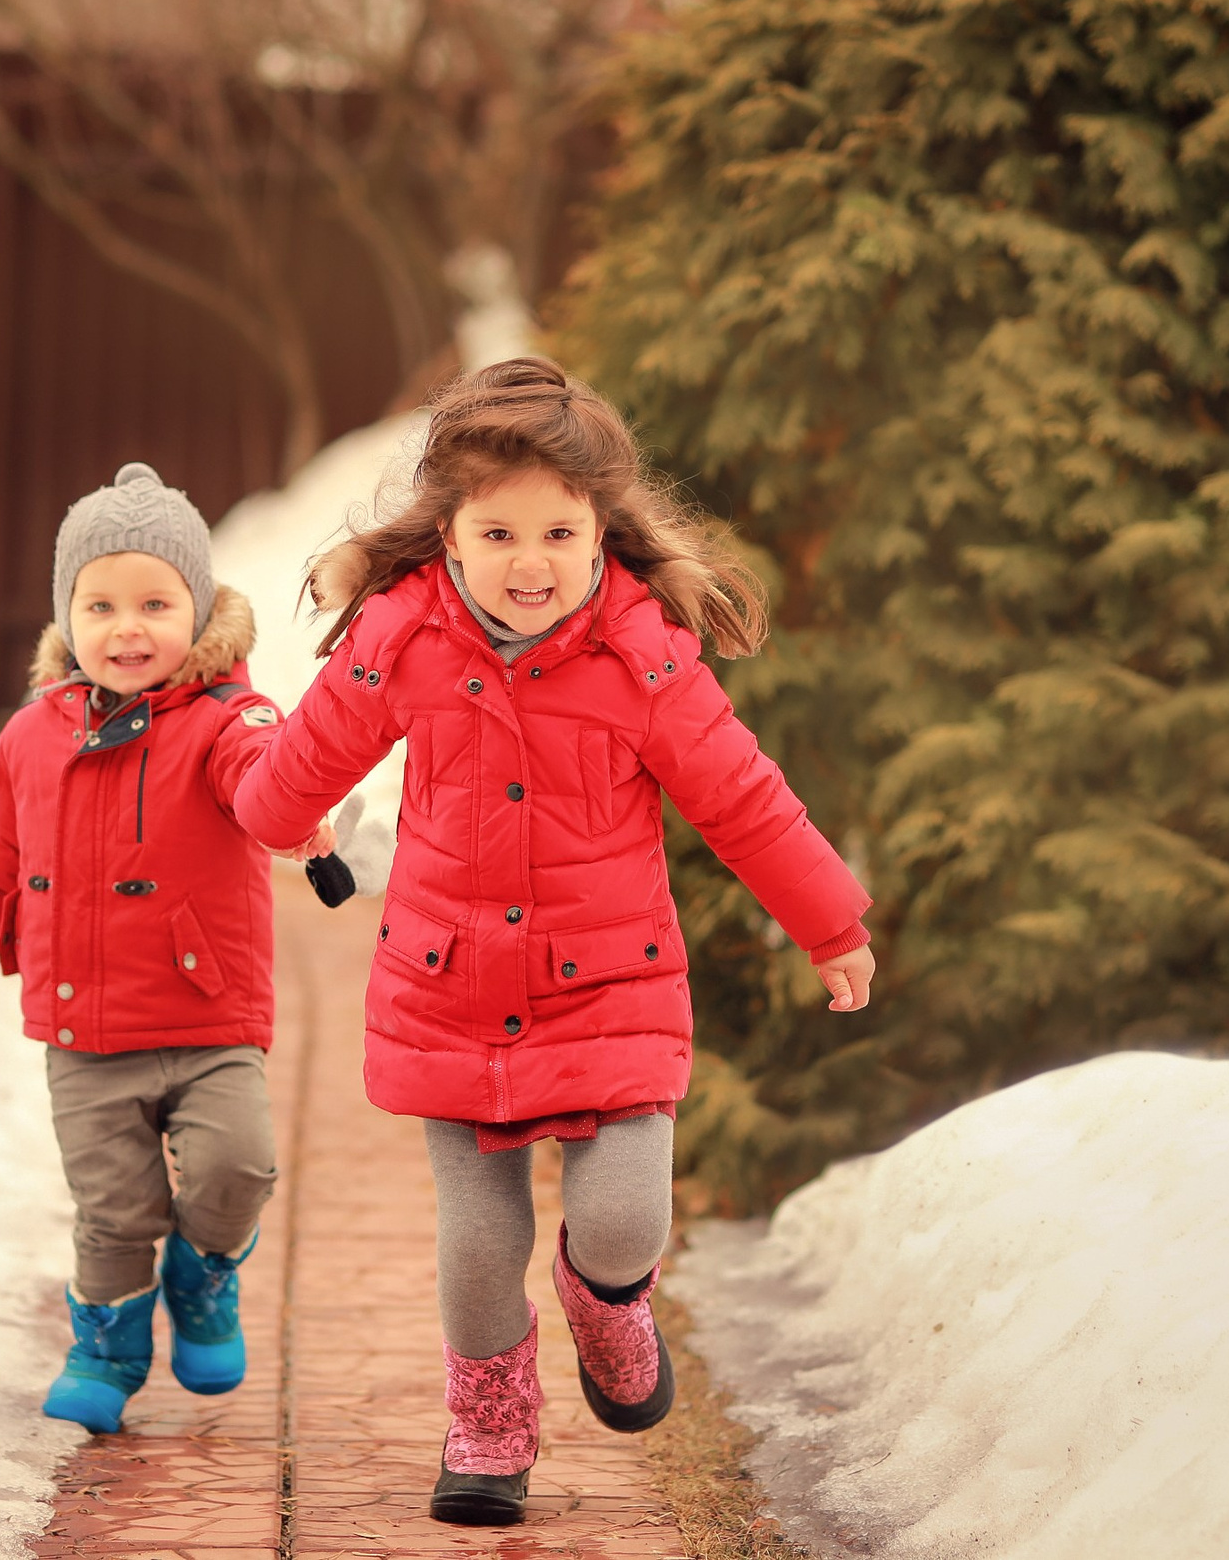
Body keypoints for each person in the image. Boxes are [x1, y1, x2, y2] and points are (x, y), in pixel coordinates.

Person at [234, 359, 876, 1525]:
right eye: (497, 534)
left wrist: (827, 923)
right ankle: (488, 1424)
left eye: (557, 534)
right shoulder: (399, 637)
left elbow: (742, 799)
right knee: (481, 1244)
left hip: (611, 986)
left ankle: (605, 1302)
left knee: (623, 1219)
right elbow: (297, 775)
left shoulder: (642, 658)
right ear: (446, 534)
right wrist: (283, 814)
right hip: (450, 988)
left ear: (599, 531)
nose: (528, 564)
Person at [0, 462, 332, 1435]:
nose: (127, 628)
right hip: (86, 1031)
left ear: (200, 609)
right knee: (113, 1208)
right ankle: (106, 1351)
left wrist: (294, 810)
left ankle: (205, 1271)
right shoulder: (28, 738)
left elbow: (264, 776)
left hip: (208, 1014)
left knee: (237, 1167)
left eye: (154, 603)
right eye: (100, 605)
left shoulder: (228, 720)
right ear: (66, 615)